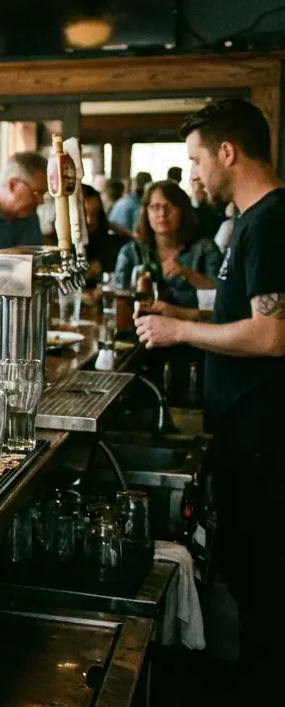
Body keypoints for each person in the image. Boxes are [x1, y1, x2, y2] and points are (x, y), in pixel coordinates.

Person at [135, 99, 285, 699]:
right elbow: (239, 313)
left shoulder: (270, 221)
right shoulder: (251, 220)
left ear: (228, 152)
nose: (192, 173)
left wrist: (179, 332)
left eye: (197, 160)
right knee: (251, 578)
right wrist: (180, 314)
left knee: (263, 584)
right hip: (245, 430)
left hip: (263, 436)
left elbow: (272, 334)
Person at [113, 180, 221, 310]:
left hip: (190, 322)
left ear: (183, 211)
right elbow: (118, 299)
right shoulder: (131, 252)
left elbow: (221, 295)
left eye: (169, 207)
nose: (162, 214)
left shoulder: (205, 248)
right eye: (155, 207)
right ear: (146, 212)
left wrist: (188, 274)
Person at [81, 184, 127, 286]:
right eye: (83, 213)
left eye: (95, 214)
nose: (89, 220)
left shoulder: (105, 244)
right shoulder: (60, 247)